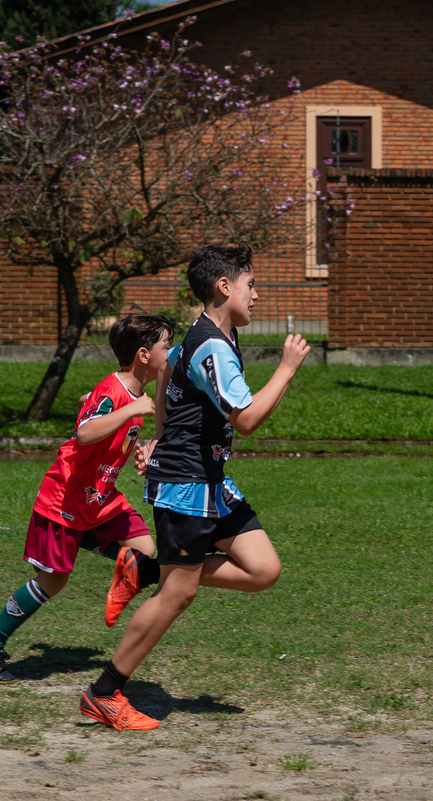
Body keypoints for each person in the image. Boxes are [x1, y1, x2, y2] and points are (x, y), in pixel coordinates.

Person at [79, 244, 311, 731]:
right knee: (177, 595)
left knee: (264, 569)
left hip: (208, 480)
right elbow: (245, 419)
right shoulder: (212, 345)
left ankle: (143, 568)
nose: (257, 294)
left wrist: (159, 438)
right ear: (224, 287)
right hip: (187, 485)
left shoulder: (204, 340)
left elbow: (167, 371)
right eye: (251, 284)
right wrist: (287, 368)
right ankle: (103, 693)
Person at [0, 313, 173, 683]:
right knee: (53, 582)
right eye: (166, 346)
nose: (170, 352)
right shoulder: (121, 394)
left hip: (100, 498)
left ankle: (93, 544)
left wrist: (141, 450)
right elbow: (84, 432)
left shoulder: (133, 393)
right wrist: (126, 409)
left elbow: (96, 409)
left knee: (144, 549)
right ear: (144, 354)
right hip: (65, 497)